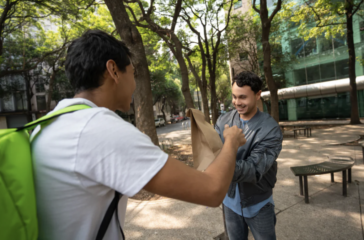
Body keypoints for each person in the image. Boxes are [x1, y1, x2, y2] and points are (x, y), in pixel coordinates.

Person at [30, 29, 246, 240]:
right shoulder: (102, 130)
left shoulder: (45, 126)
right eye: (132, 73)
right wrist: (231, 142)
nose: (134, 85)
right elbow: (211, 190)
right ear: (113, 70)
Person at [215, 71, 283, 240]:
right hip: (229, 202)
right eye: (234, 96)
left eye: (243, 97)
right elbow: (213, 150)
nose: (237, 102)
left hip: (259, 204)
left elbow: (254, 170)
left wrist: (220, 164)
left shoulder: (270, 129)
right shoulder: (223, 121)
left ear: (258, 94)